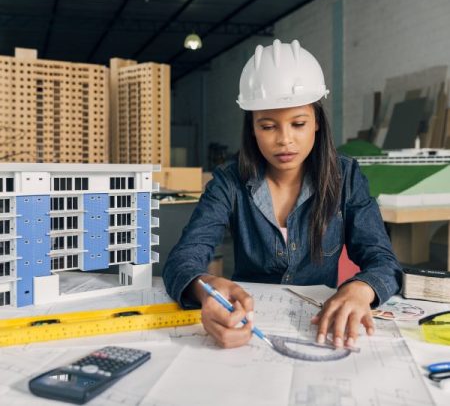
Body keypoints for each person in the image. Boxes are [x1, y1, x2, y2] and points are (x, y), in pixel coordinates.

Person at [163, 39, 402, 350]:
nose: (285, 140)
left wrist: (360, 289)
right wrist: (206, 287)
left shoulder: (346, 177)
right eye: (268, 126)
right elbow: (183, 258)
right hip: (251, 328)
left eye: (298, 123)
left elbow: (383, 260)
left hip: (319, 328)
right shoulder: (229, 182)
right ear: (251, 128)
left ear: (317, 122)